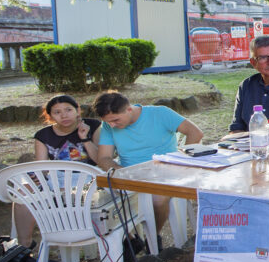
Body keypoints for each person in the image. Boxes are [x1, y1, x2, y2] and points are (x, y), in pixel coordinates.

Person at [93, 91, 204, 243]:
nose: (112, 125)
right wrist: (121, 172)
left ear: (129, 109)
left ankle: (152, 237)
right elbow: (104, 158)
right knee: (102, 201)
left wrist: (180, 161)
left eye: (115, 120)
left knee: (158, 199)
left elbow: (195, 133)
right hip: (130, 175)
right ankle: (131, 239)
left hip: (164, 172)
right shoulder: (108, 125)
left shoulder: (160, 113)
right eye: (108, 122)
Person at [14, 94, 103, 246]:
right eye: (57, 112)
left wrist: (85, 138)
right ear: (50, 116)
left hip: (90, 178)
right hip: (58, 177)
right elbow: (41, 166)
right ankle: (24, 245)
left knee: (67, 192)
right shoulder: (43, 135)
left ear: (78, 110)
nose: (64, 115)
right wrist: (35, 177)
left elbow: (100, 160)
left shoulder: (94, 126)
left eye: (68, 110)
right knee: (22, 193)